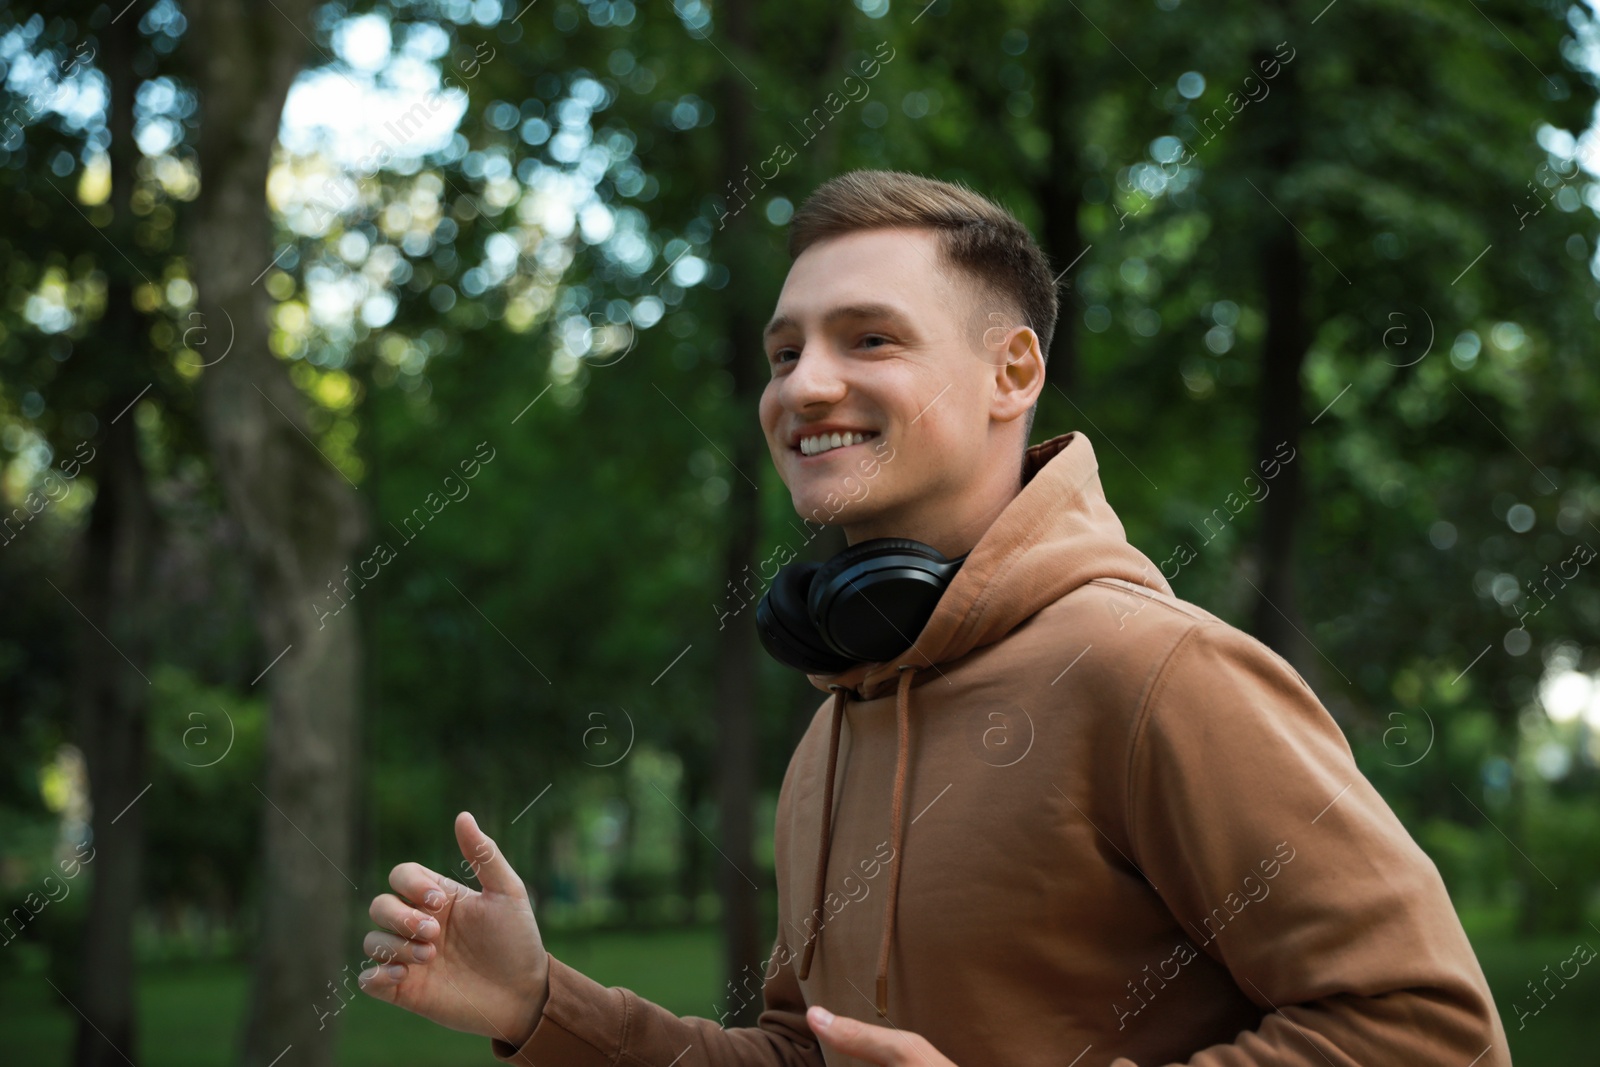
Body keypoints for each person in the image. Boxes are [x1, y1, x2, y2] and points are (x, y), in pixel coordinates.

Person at [356, 169, 1510, 1066]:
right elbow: (804, 1052)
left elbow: (1426, 1029)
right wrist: (539, 1001)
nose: (801, 385)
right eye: (784, 349)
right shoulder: (836, 718)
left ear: (1012, 372)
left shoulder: (1156, 670)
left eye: (869, 337)